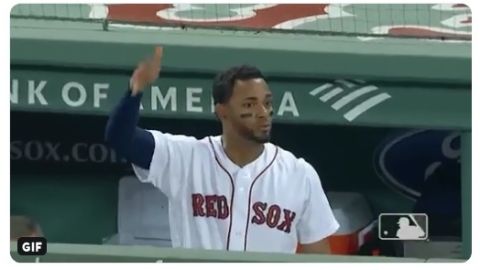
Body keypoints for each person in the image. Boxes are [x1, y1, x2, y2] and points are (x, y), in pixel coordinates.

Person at [105, 46, 339, 254]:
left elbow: (317, 257)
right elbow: (121, 138)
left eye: (267, 103)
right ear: (222, 111)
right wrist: (135, 90)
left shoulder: (299, 174)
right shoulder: (187, 159)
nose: (263, 112)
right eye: (249, 104)